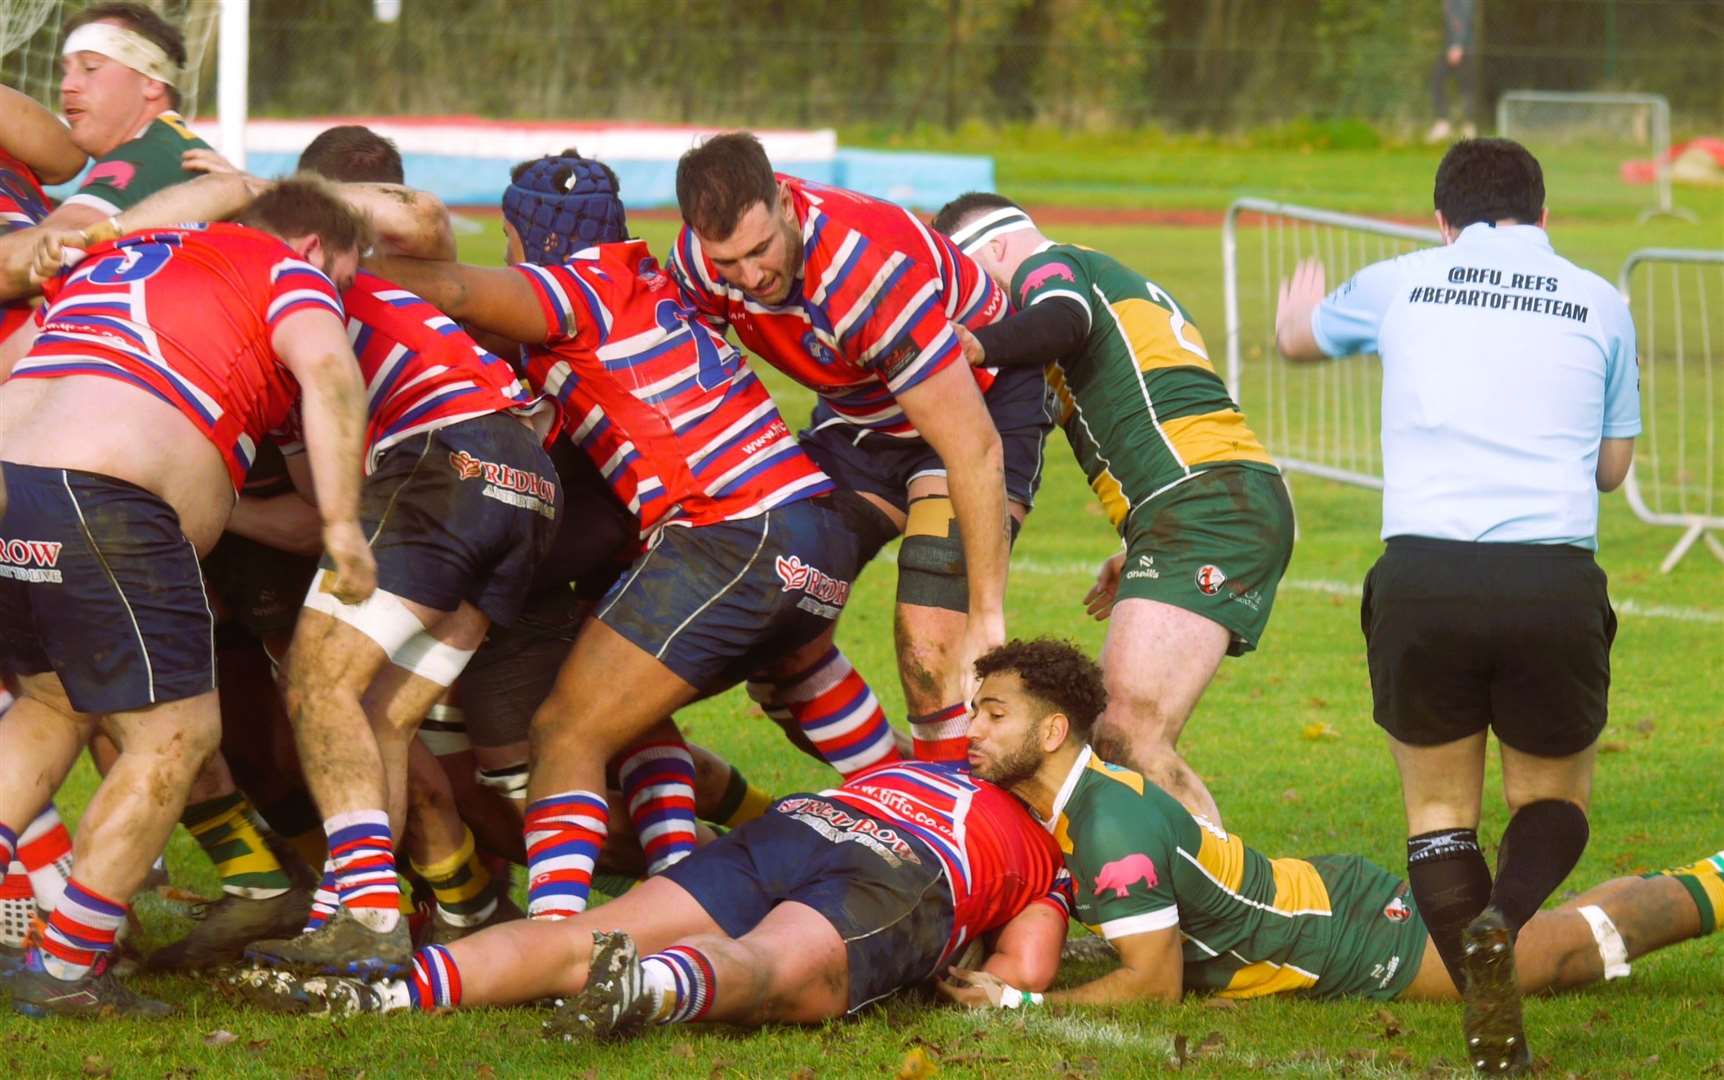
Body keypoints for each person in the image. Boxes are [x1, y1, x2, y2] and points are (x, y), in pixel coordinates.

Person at [366, 150, 901, 923]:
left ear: (530, 243)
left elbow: (452, 289)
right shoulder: (650, 278)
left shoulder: (572, 288)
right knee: (674, 685)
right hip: (809, 528)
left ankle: (555, 938)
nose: (508, 260)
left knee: (567, 729)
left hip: (728, 533)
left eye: (513, 245)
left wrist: (317, 265)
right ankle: (928, 822)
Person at [1274, 138, 1637, 1073]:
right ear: (1544, 215)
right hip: (1550, 579)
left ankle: (1484, 991)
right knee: (1552, 803)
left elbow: (1297, 341)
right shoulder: (1601, 298)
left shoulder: (1404, 278)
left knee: (1439, 813)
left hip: (1423, 576)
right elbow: (1611, 470)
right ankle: (1501, 925)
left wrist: (1297, 315)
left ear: (1444, 222)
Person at [946, 638, 1724, 1057]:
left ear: (1051, 732)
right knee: (1539, 936)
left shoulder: (1110, 829)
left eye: (993, 715)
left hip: (1339, 936)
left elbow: (1152, 987)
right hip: (1311, 896)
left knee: (1558, 955)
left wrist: (1019, 1005)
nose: (971, 731)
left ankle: (1715, 883)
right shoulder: (1067, 799)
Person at [0, 178, 377, 1018]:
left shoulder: (118, 258)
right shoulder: (283, 266)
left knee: (52, 706)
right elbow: (329, 372)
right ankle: (65, 972)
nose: (343, 298)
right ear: (314, 249)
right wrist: (344, 522)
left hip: (10, 475)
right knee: (176, 735)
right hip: (102, 493)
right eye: (346, 279)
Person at [231, 754, 1072, 1038]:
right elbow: (1025, 968)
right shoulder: (1047, 847)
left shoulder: (915, 763)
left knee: (582, 935)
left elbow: (706, 766)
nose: (971, 725)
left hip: (808, 818)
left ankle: (387, 992)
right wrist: (992, 987)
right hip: (904, 867)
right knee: (769, 969)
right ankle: (656, 987)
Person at [671, 132, 1050, 760]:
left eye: (761, 250)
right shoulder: (698, 262)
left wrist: (986, 612)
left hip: (978, 402)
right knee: (776, 636)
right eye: (728, 262)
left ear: (788, 206)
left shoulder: (863, 270)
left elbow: (973, 449)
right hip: (863, 414)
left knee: (932, 650)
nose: (750, 276)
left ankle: (961, 837)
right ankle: (908, 794)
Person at [931, 194, 1292, 825]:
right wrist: (1144, 541)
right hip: (1197, 502)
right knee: (1113, 731)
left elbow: (1063, 321)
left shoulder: (1052, 267)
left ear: (993, 248)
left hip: (1205, 503)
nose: (972, 302)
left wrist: (975, 344)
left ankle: (1234, 910)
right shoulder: (1111, 277)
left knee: (1129, 734)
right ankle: (1187, 897)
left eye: (967, 279)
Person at [0, 2, 212, 297]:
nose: (68, 85)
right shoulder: (170, 146)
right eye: (67, 71)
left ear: (151, 82)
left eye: (91, 68)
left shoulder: (149, 156)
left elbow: (30, 256)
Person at [1428, 0, 1480, 143]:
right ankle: (1445, 123)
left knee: (1465, 86)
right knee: (1439, 80)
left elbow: (1464, 18)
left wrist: (1458, 45)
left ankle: (1467, 127)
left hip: (1461, 49)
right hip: (1452, 48)